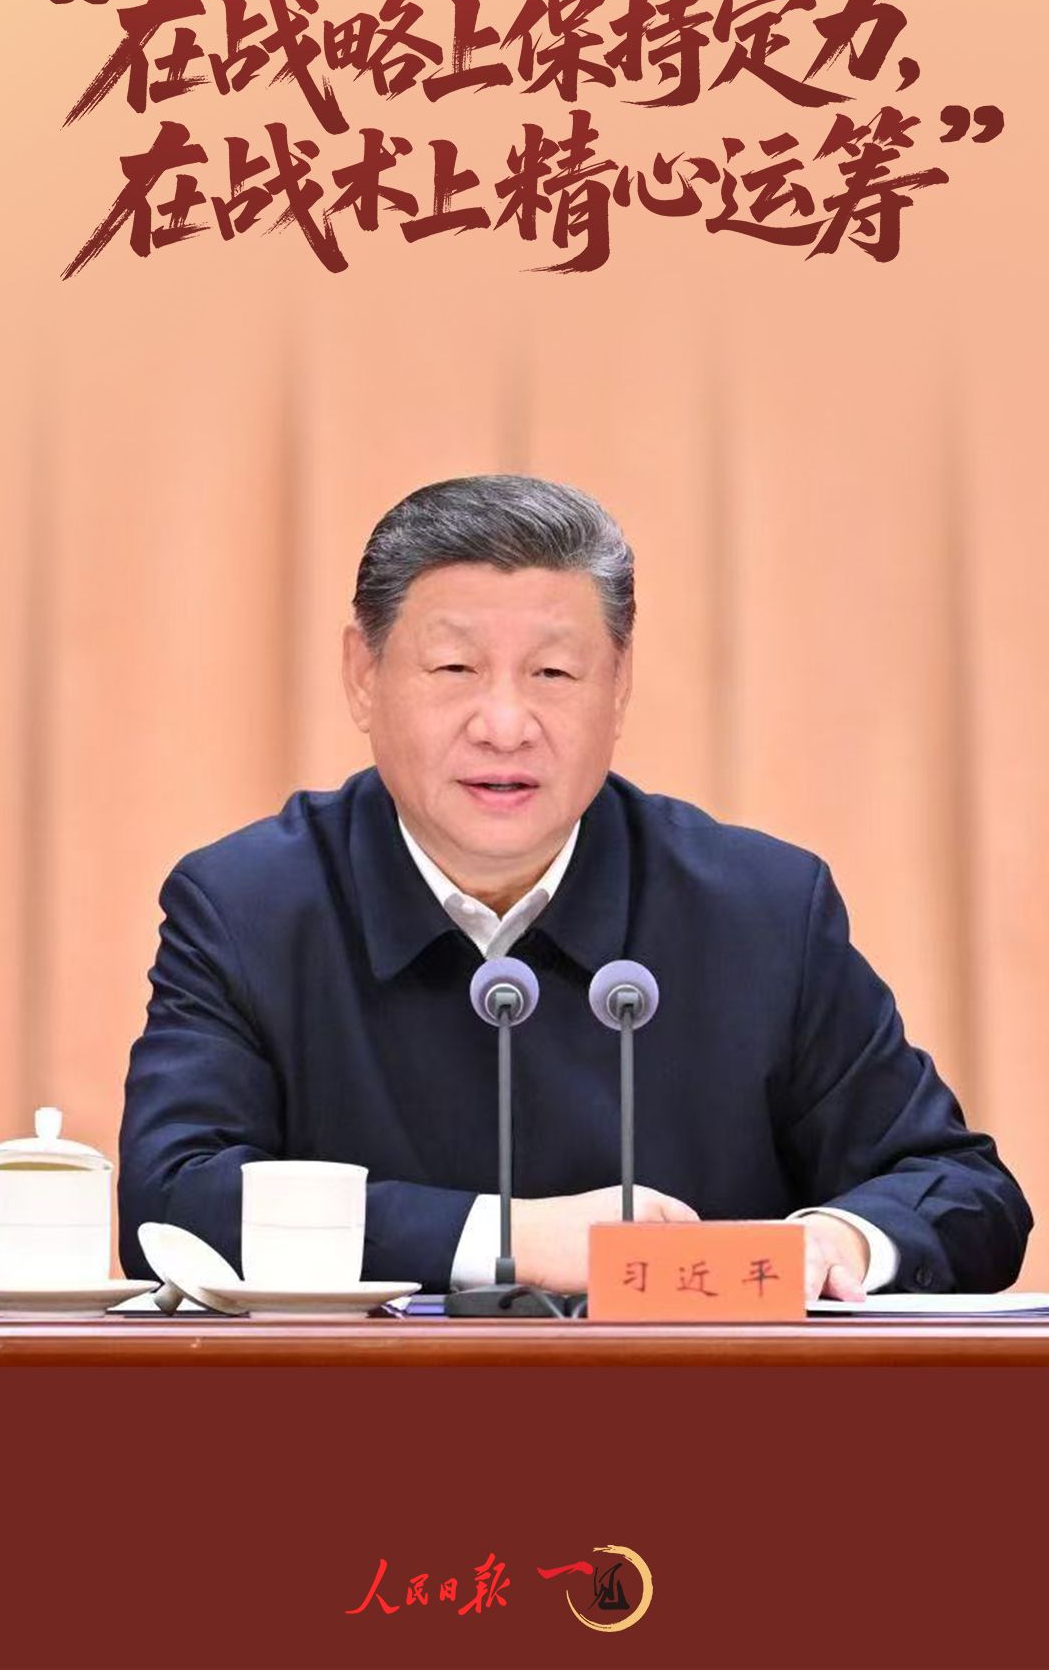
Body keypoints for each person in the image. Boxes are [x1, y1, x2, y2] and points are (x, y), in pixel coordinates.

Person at [118, 475, 1032, 1299]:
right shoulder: (248, 907)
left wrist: (840, 1240)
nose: (505, 724)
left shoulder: (759, 909)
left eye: (553, 673)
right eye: (455, 669)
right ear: (364, 676)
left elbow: (962, 1191)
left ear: (619, 685)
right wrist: (513, 1240)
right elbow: (173, 1200)